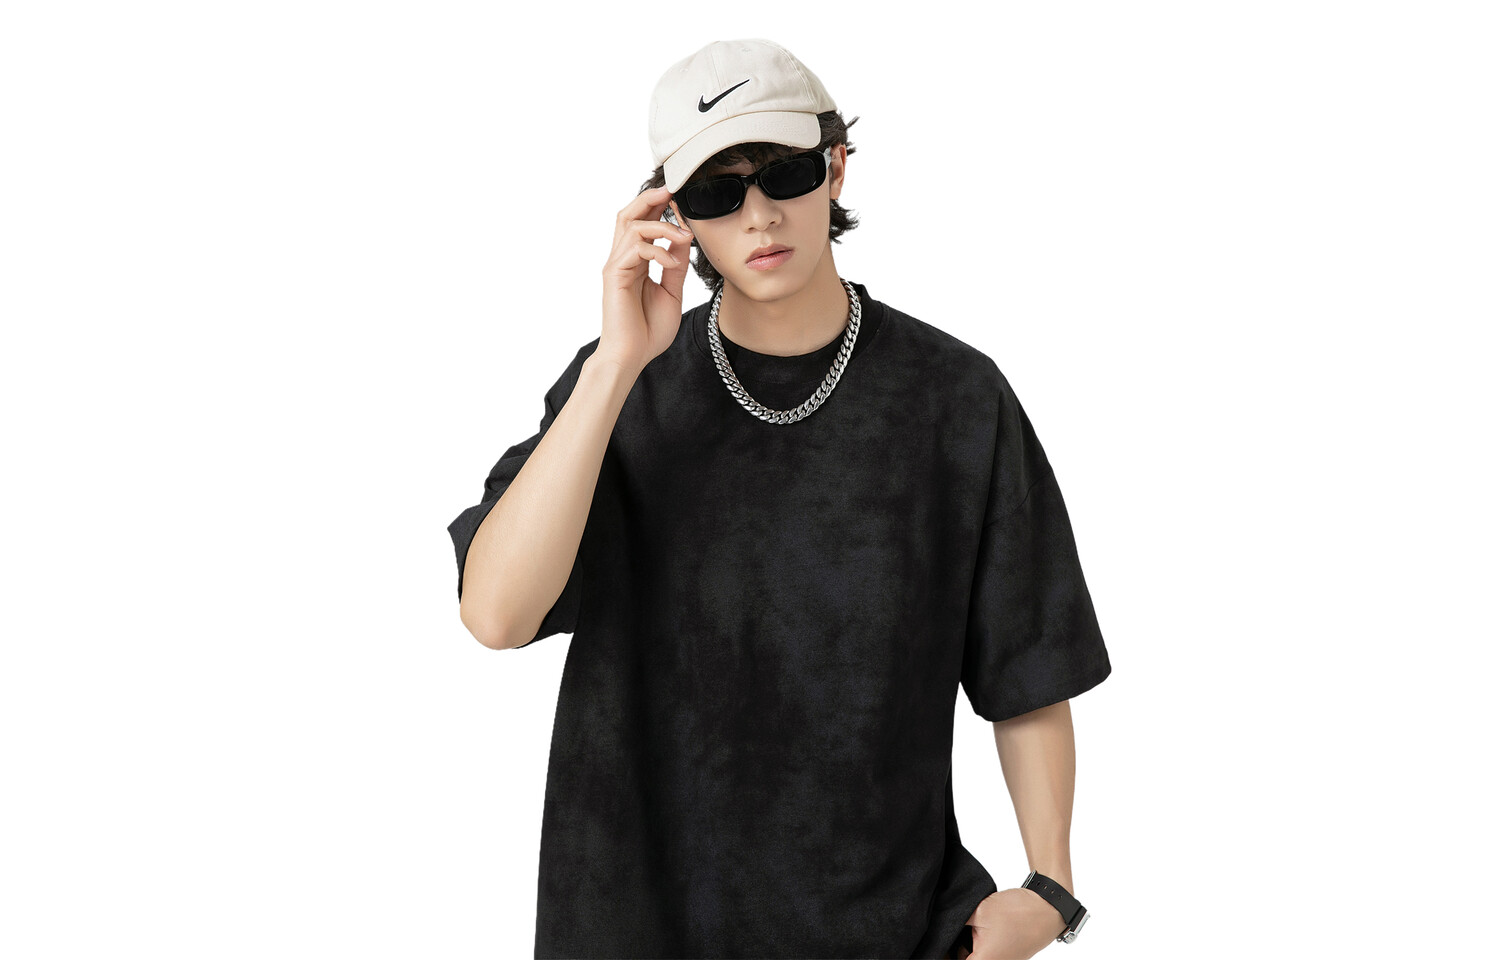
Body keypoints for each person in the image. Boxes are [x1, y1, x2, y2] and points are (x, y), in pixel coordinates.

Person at [446, 38, 1111, 960]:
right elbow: (495, 615)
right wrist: (615, 365)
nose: (759, 215)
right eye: (718, 193)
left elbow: (1027, 664)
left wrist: (1050, 887)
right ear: (674, 217)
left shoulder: (954, 397)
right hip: (635, 923)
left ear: (835, 167)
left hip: (888, 929)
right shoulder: (619, 391)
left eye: (786, 174)